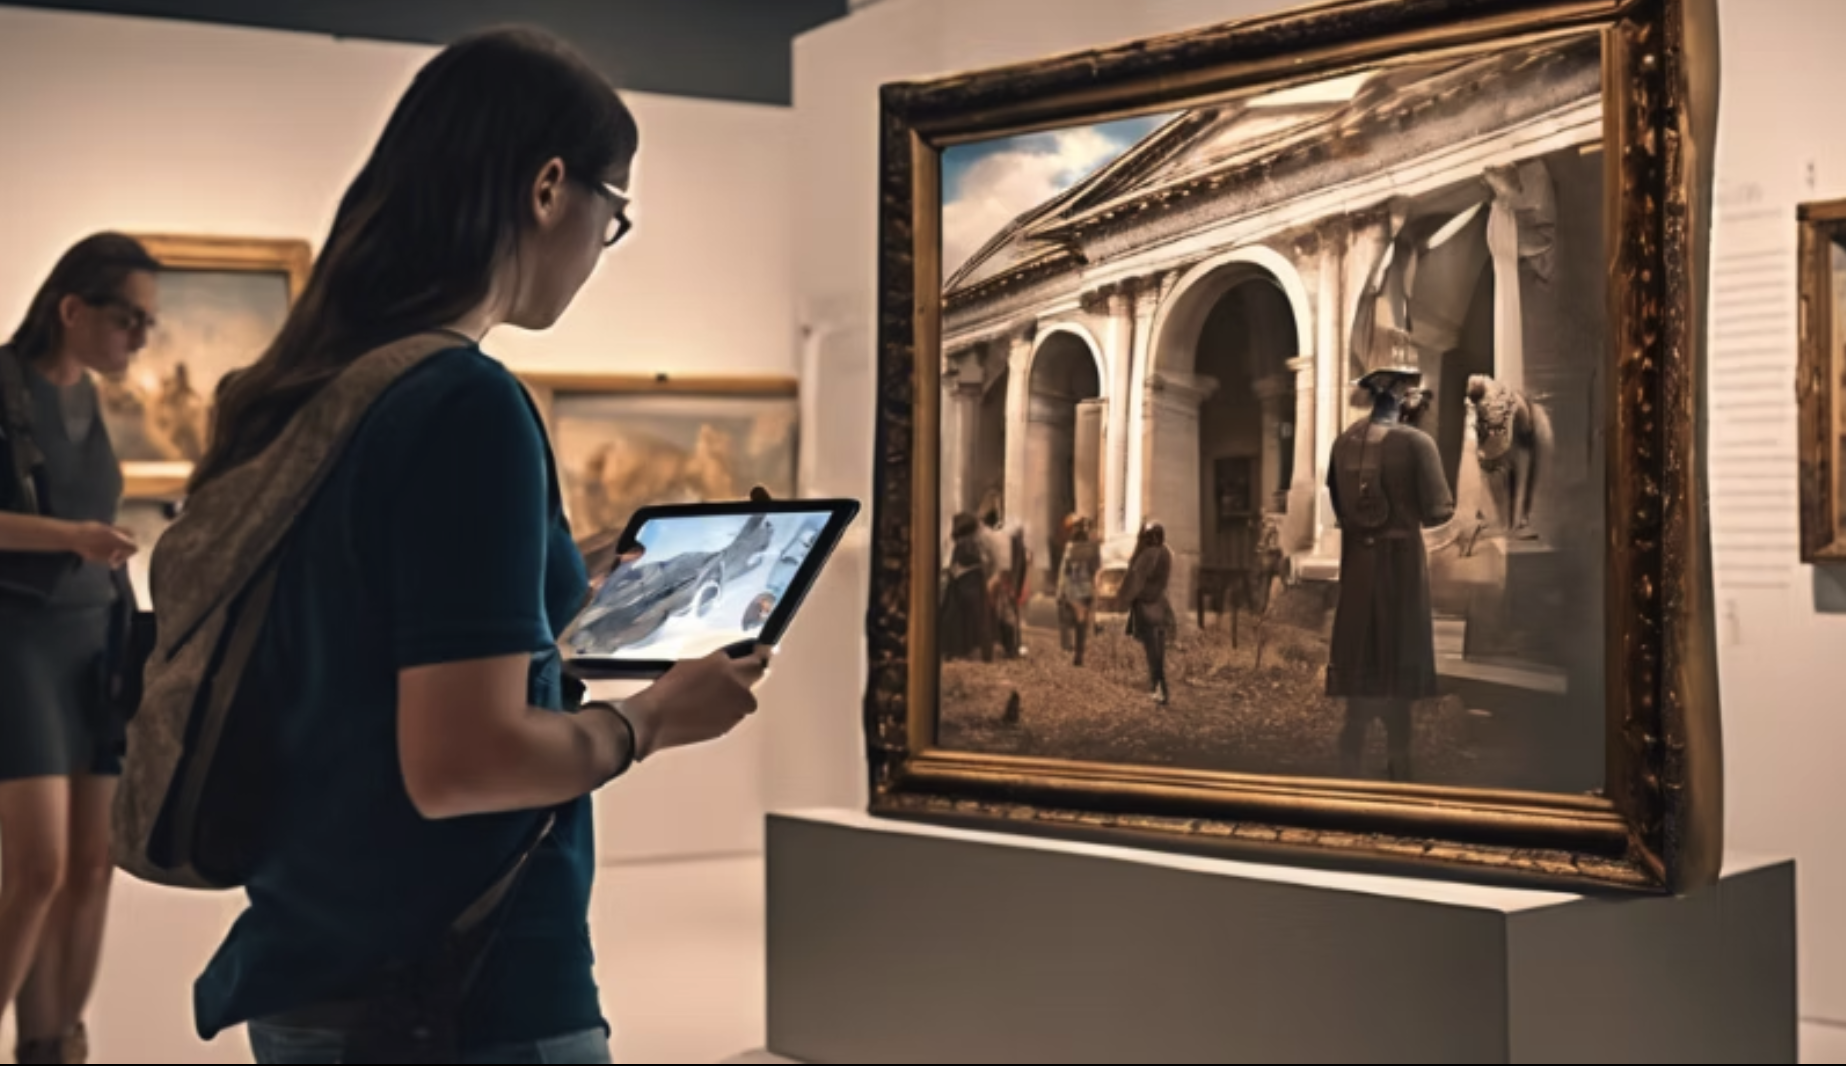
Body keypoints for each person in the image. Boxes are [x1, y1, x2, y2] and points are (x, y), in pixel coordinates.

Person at [178, 28, 767, 1063]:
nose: (601, 243)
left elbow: (357, 649)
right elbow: (462, 762)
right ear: (549, 186)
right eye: (613, 210)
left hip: (312, 964)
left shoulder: (296, 395)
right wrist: (655, 720)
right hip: (461, 985)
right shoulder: (463, 403)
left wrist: (554, 576)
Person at [0, 233, 154, 1063]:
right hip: (17, 644)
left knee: (93, 866)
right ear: (72, 309)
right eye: (130, 318)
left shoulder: (91, 401)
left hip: (97, 642)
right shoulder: (3, 384)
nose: (140, 338)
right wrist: (69, 535)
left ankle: (51, 1048)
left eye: (150, 325)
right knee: (35, 871)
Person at [1324, 366, 1454, 781]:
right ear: (1401, 397)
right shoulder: (1418, 443)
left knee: (1360, 675)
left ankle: (1349, 767)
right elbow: (1438, 510)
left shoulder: (1341, 445)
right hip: (1399, 569)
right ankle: (1400, 765)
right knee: (1397, 671)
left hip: (1358, 570)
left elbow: (1342, 511)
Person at [1118, 520, 1174, 704]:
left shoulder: (1147, 555)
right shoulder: (1166, 552)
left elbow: (1136, 580)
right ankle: (1160, 687)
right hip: (1161, 603)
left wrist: (1125, 599)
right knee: (1160, 649)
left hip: (1146, 605)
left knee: (1153, 651)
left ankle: (1159, 687)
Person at [1056, 517, 1100, 667]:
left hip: (1073, 589)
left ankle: (1076, 653)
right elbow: (1095, 568)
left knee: (1077, 618)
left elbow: (1064, 571)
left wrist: (1060, 591)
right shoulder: (1092, 549)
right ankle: (1079, 653)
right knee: (1083, 620)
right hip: (1087, 588)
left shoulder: (1069, 548)